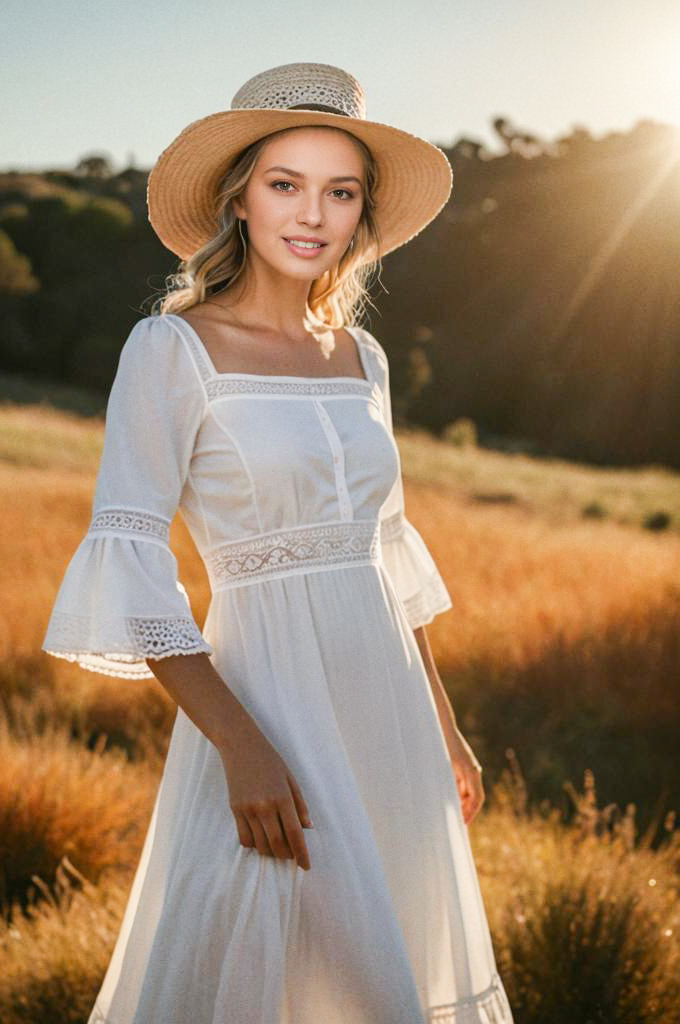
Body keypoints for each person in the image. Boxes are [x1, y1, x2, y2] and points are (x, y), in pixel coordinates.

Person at [42, 61, 514, 1024]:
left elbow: (385, 549)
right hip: (267, 708)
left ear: (362, 214)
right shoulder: (172, 349)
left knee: (389, 965)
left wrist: (445, 721)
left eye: (340, 191)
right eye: (285, 184)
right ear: (240, 200)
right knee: (272, 966)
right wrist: (242, 745)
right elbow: (133, 559)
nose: (313, 214)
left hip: (386, 704)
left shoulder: (362, 356)